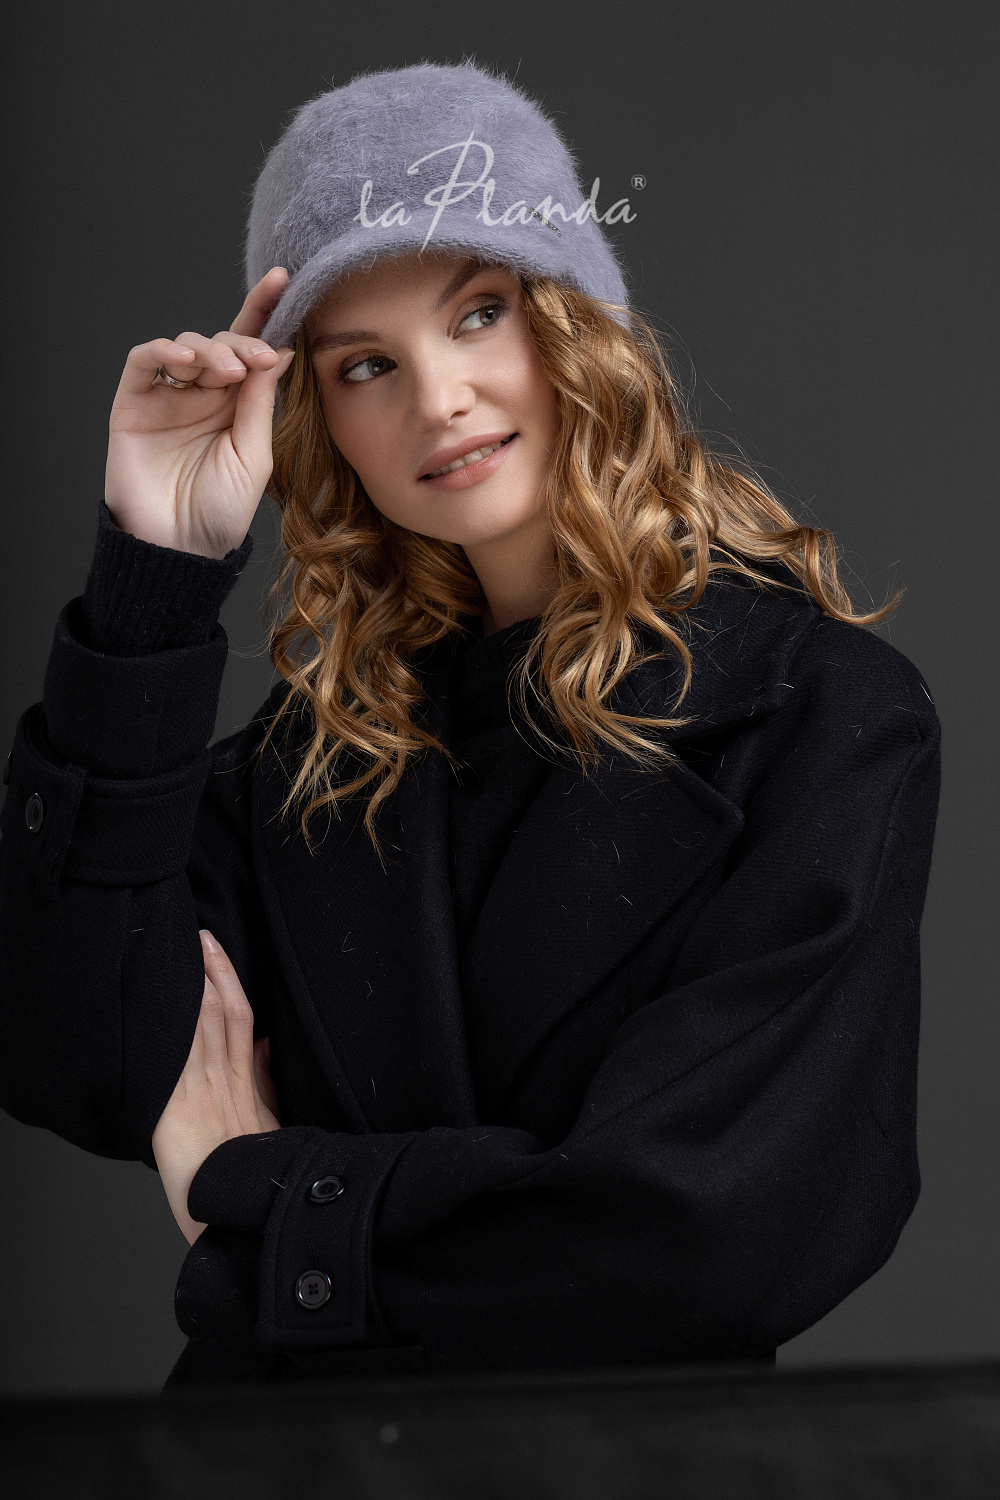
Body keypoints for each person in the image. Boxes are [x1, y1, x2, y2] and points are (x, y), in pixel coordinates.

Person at [0, 61, 941, 1388]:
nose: (437, 397)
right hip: (266, 1467)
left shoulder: (822, 713)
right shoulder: (316, 760)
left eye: (480, 313)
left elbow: (708, 1230)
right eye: (366, 364)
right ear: (322, 421)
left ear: (578, 324)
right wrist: (154, 582)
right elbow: (71, 1050)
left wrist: (268, 1205)